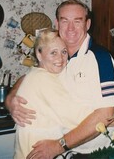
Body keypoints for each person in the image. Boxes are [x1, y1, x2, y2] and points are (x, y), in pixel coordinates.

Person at [5, 0, 114, 158]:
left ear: (87, 24)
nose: (71, 28)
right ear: (57, 24)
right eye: (65, 21)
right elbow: (33, 76)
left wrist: (59, 146)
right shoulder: (59, 56)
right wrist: (11, 98)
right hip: (69, 152)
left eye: (77, 21)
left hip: (96, 153)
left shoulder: (99, 58)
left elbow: (105, 115)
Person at [14, 28, 96, 158]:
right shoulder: (43, 79)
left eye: (64, 52)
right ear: (39, 54)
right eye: (53, 53)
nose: (61, 58)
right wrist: (112, 118)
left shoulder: (39, 74)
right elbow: (76, 117)